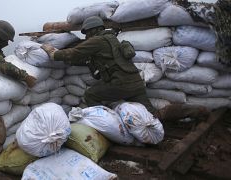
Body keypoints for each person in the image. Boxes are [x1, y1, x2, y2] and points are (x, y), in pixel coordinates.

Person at [41, 16, 210, 122]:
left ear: (93, 30)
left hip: (120, 84)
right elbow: (92, 59)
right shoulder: (113, 39)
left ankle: (105, 124)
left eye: (87, 33)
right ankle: (194, 110)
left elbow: (73, 53)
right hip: (135, 81)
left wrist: (53, 52)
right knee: (154, 115)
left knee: (90, 94)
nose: (86, 37)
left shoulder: (96, 41)